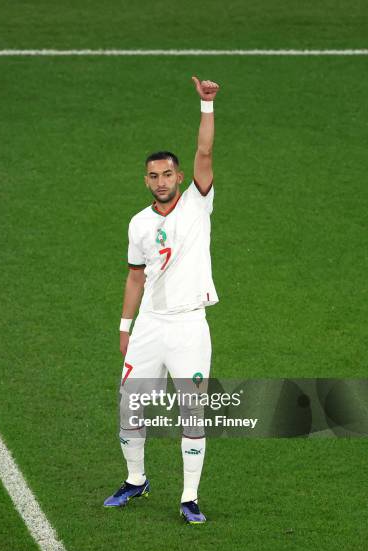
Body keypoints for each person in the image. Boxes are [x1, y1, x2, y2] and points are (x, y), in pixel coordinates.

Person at [103, 76, 220, 524]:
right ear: (146, 180)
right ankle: (136, 480)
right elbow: (135, 277)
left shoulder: (197, 204)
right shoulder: (137, 224)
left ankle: (189, 496)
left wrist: (206, 106)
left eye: (167, 174)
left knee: (193, 409)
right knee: (130, 402)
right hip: (150, 324)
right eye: (153, 176)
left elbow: (205, 152)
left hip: (190, 325)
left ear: (180, 176)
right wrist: (124, 326)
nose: (160, 181)